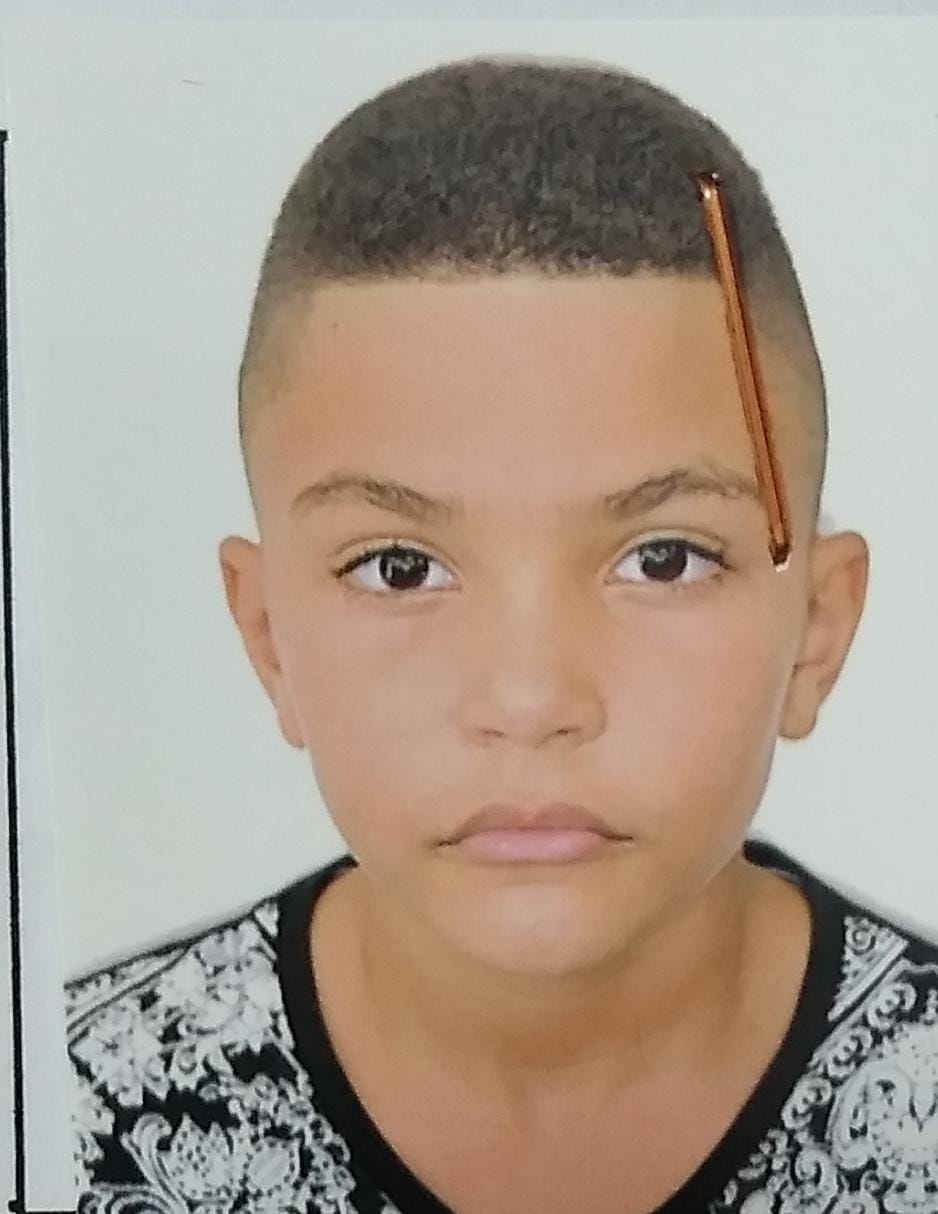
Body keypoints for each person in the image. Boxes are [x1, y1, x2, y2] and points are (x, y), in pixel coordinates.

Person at [64, 54, 938, 1214]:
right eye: (399, 567)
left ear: (815, 631)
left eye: (662, 558)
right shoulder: (63, 1125)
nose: (527, 700)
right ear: (269, 638)